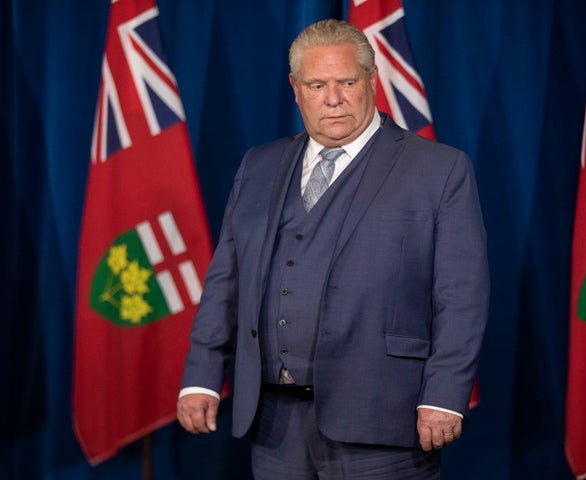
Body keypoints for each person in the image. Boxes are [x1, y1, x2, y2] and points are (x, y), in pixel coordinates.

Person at [177, 18, 490, 479]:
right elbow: (226, 279)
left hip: (385, 420)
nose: (333, 99)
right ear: (295, 87)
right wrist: (202, 375)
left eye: (347, 82)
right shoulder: (258, 165)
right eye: (317, 84)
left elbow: (462, 297)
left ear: (371, 80)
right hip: (273, 425)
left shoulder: (439, 170)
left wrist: (444, 395)